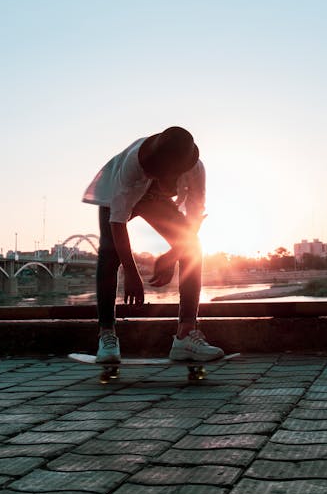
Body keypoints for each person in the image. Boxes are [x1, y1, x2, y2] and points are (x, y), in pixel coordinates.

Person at [82, 126, 224, 364]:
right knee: (109, 252)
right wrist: (131, 271)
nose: (169, 182)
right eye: (162, 175)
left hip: (153, 199)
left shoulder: (196, 168)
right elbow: (118, 222)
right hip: (118, 190)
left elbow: (193, 219)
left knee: (192, 248)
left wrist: (172, 255)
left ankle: (185, 335)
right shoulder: (132, 166)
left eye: (171, 176)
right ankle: (106, 336)